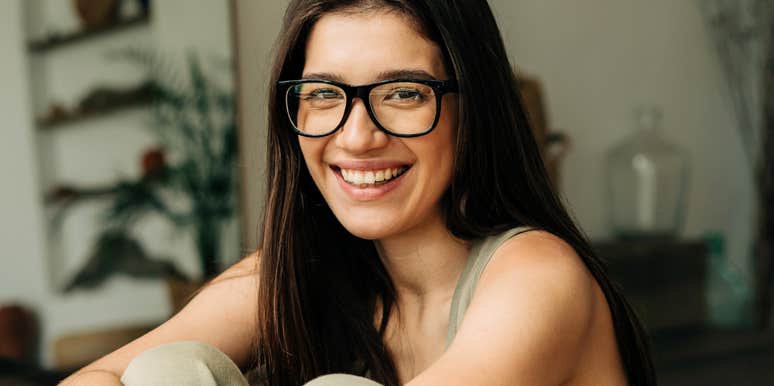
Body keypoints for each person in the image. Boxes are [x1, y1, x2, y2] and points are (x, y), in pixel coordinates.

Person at [61, 0, 656, 385]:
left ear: (471, 109)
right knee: (169, 371)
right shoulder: (297, 272)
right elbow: (94, 378)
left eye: (403, 93)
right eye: (324, 94)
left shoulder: (539, 276)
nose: (356, 137)